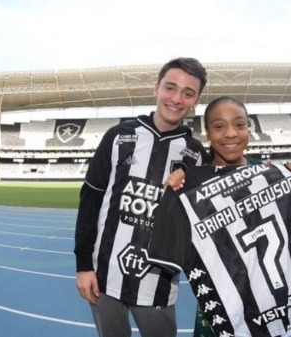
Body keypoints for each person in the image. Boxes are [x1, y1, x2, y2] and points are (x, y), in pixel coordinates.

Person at [152, 96, 291, 337]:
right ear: (207, 133)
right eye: (218, 126)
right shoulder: (190, 184)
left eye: (239, 124)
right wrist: (174, 192)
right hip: (219, 310)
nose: (231, 134)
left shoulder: (274, 173)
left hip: (271, 307)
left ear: (249, 128)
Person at [74, 57, 208, 337]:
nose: (176, 98)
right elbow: (91, 200)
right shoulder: (118, 136)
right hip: (104, 279)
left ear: (196, 100)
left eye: (188, 93)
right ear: (156, 88)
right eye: (170, 88)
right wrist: (84, 265)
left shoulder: (196, 156)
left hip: (158, 285)